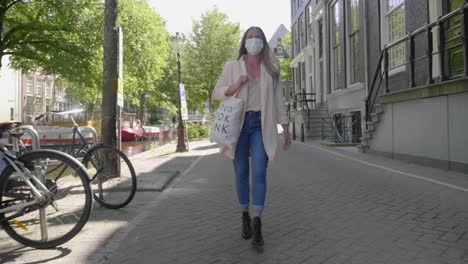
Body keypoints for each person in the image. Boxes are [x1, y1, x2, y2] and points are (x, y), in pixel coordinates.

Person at [212, 26, 291, 249]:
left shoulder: (271, 68)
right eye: (250, 37)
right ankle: (244, 215)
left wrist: (285, 127)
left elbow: (278, 101)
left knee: (259, 170)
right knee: (241, 173)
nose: (254, 40)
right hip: (239, 125)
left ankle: (257, 222)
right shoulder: (232, 66)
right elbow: (217, 92)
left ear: (264, 42)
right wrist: (236, 85)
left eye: (258, 37)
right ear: (244, 41)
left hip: (261, 125)